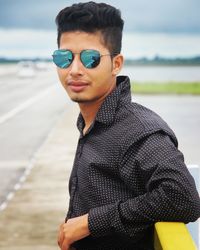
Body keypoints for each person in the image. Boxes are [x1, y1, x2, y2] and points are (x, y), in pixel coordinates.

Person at [53, 2, 200, 250]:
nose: (74, 70)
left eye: (90, 59)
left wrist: (91, 222)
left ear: (117, 64)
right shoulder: (92, 121)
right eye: (64, 57)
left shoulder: (138, 131)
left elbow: (183, 198)